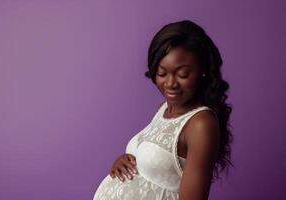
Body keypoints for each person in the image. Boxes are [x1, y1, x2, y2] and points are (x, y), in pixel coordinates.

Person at [93, 19, 233, 200]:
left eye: (182, 74)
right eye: (162, 73)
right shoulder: (164, 109)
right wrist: (125, 162)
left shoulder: (201, 124)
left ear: (203, 70)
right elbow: (157, 167)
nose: (170, 83)